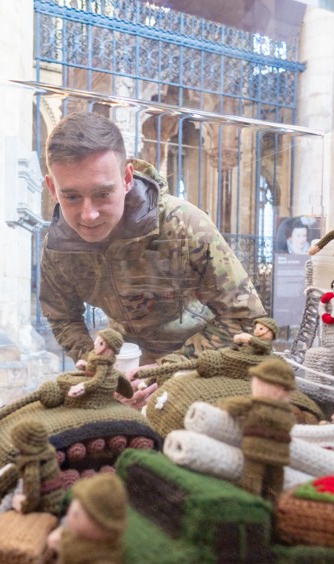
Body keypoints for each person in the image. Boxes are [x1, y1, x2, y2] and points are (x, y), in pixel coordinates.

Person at [39, 112, 266, 403]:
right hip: (127, 366)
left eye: (103, 194)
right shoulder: (58, 247)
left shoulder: (184, 226)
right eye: (71, 197)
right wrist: (98, 365)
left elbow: (246, 318)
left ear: (127, 179)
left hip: (201, 362)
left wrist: (169, 369)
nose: (89, 214)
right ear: (52, 188)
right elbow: (62, 317)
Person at [47, 473, 133, 564]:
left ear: (103, 525)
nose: (70, 515)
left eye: (76, 514)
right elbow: (70, 540)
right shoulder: (80, 539)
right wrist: (61, 539)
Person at [218, 357, 296, 500]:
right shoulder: (288, 413)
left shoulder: (254, 405)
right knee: (276, 483)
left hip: (256, 450)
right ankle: (274, 505)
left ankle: (249, 503)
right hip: (280, 453)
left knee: (251, 480)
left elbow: (231, 407)